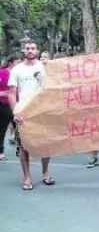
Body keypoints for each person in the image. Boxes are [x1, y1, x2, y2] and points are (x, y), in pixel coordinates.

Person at [8, 41, 55, 191]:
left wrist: (51, 66)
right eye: (27, 48)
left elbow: (54, 86)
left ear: (37, 51)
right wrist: (15, 112)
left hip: (42, 111)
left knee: (46, 145)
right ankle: (27, 177)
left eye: (33, 48)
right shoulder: (17, 69)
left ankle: (45, 173)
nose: (30, 50)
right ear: (23, 51)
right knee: (24, 147)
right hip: (24, 113)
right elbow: (11, 93)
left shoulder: (44, 67)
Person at [0, 55, 18, 161]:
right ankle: (0, 152)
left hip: (17, 105)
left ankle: (22, 150)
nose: (19, 64)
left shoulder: (18, 73)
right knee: (2, 129)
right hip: (4, 104)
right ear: (11, 63)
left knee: (20, 129)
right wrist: (4, 93)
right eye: (17, 62)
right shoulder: (2, 72)